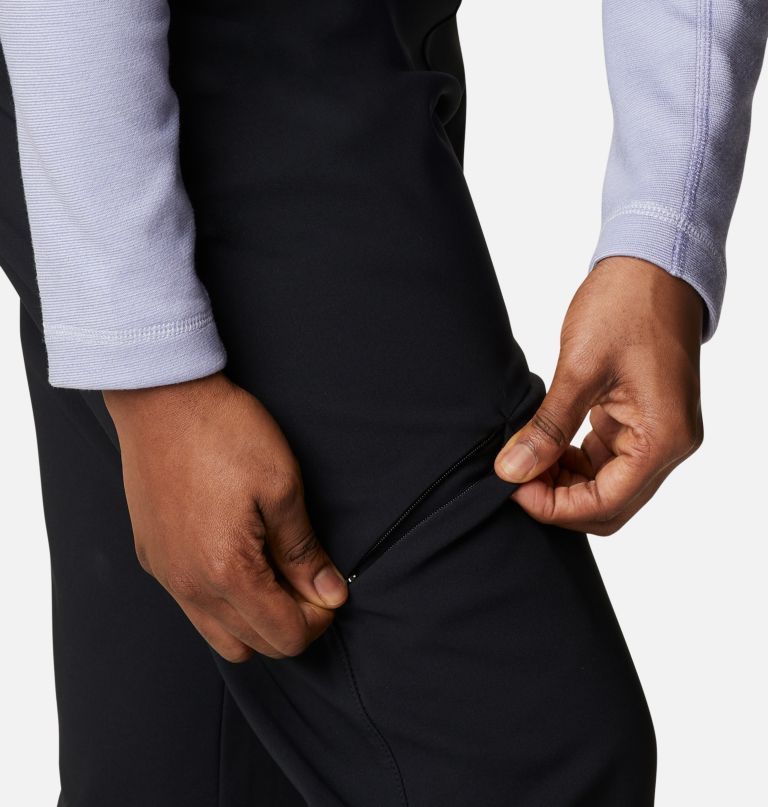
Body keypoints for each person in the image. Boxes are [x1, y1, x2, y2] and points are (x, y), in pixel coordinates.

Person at [0, 1, 764, 805]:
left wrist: (662, 231)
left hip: (326, 56)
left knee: (187, 766)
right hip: (200, 77)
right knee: (541, 755)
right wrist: (152, 374)